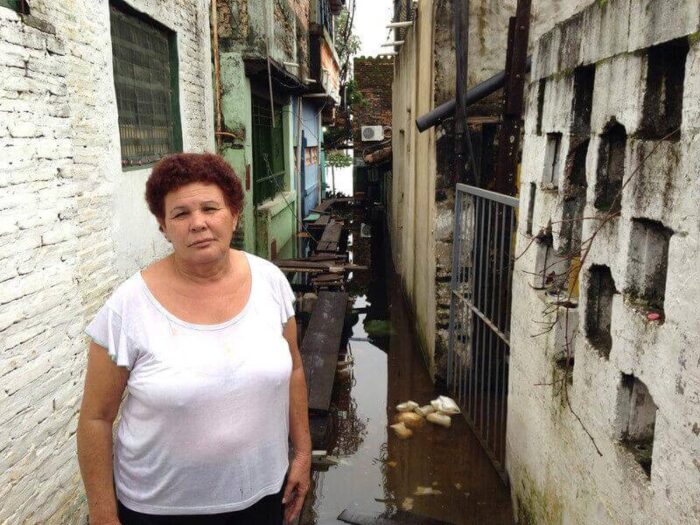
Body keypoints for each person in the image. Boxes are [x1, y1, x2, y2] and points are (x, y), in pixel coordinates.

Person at [77, 153, 311, 525]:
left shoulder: (271, 283)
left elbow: (295, 370)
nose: (198, 223)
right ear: (163, 226)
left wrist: (302, 454)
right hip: (159, 509)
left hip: (263, 496)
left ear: (234, 214)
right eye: (181, 214)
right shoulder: (128, 308)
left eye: (210, 208)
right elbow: (95, 418)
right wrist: (103, 515)